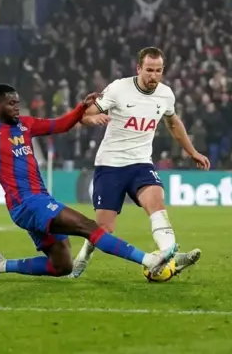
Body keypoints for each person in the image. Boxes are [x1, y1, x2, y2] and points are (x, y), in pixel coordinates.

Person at [0, 83, 178, 280]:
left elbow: (61, 125)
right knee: (88, 226)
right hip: (27, 204)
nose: (17, 107)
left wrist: (80, 108)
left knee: (62, 266)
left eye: (18, 102)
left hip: (38, 200)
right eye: (11, 103)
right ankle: (148, 260)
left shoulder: (25, 124)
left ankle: (1, 265)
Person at [70, 47, 209, 279]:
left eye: (158, 70)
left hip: (141, 163)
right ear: (138, 68)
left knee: (156, 203)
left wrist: (192, 151)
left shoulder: (165, 94)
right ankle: (83, 256)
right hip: (110, 165)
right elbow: (84, 114)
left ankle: (171, 255)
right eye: (149, 70)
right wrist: (92, 119)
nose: (153, 76)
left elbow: (173, 123)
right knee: (104, 229)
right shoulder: (118, 88)